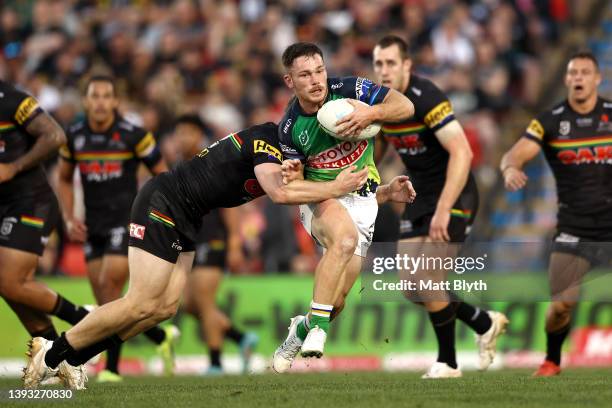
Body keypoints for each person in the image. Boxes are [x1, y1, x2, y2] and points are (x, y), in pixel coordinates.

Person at [23, 121, 410, 389]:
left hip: (190, 214)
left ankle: (72, 358)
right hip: (164, 201)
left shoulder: (294, 156)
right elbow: (280, 194)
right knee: (140, 301)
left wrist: (381, 192)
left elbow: (334, 196)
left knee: (161, 310)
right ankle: (52, 352)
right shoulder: (268, 140)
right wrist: (333, 183)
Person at [272, 42, 416, 372]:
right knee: (344, 240)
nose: (316, 80)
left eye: (319, 71)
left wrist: (371, 112)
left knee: (335, 302)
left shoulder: (349, 89)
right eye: (305, 75)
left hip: (364, 201)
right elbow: (292, 188)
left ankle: (303, 328)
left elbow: (403, 105)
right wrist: (294, 175)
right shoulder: (290, 128)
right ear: (289, 81)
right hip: (323, 200)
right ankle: (318, 331)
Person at [371, 35, 509, 378]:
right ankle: (483, 321)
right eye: (378, 64)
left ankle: (448, 362)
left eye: (390, 63)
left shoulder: (427, 97)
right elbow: (378, 151)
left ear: (406, 66)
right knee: (410, 286)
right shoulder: (382, 105)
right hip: (418, 194)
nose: (384, 70)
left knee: (427, 276)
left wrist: (445, 209)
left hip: (455, 191)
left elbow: (462, 152)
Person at [56, 75, 178, 382]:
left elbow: (162, 175)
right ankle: (159, 338)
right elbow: (62, 178)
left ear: (114, 102)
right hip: (92, 225)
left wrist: (156, 213)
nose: (99, 102)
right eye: (94, 96)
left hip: (126, 221)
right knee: (106, 303)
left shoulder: (133, 135)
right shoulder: (73, 136)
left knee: (110, 288)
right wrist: (70, 218)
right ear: (86, 101)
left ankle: (111, 369)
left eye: (105, 96)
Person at [500, 51, 612, 377]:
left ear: (597, 79)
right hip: (574, 227)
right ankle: (552, 360)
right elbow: (514, 155)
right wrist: (509, 170)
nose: (578, 77)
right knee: (562, 306)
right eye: (573, 72)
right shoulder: (550, 121)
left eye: (584, 72)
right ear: (566, 79)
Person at [0, 79, 89, 387]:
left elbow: (55, 135)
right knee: (9, 288)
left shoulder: (12, 100)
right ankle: (59, 359)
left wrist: (14, 166)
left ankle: (85, 321)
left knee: (10, 281)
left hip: (31, 200)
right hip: (5, 206)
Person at [169, 115, 258, 375]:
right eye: (179, 132)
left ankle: (216, 363)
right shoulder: (178, 167)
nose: (183, 138)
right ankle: (240, 338)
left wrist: (234, 243)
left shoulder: (211, 164)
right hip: (190, 243)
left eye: (189, 132)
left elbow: (228, 206)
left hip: (213, 240)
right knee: (187, 304)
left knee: (205, 303)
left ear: (199, 136)